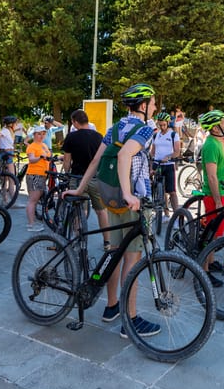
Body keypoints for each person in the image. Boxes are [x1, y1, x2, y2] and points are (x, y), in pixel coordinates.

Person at [66, 83, 160, 338]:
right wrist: (129, 193)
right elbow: (124, 156)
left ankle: (111, 307)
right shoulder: (145, 129)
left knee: (114, 253)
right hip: (131, 201)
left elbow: (96, 160)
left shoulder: (116, 127)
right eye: (152, 103)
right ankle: (130, 321)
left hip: (110, 198)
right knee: (132, 258)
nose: (154, 107)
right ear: (143, 106)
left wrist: (79, 189)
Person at [61, 109, 110, 249]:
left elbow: (67, 159)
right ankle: (107, 242)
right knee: (101, 211)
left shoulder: (71, 137)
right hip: (96, 178)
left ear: (75, 122)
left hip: (77, 178)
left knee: (79, 211)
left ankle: (78, 239)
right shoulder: (99, 136)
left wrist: (66, 172)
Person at [198, 110, 224, 272]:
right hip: (214, 196)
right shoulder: (211, 145)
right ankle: (204, 271)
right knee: (211, 235)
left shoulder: (219, 142)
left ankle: (210, 262)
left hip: (221, 194)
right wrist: (218, 200)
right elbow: (211, 177)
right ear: (216, 128)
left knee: (216, 233)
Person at [149, 112, 180, 217]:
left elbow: (177, 151)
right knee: (161, 192)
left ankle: (176, 216)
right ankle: (166, 215)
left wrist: (168, 157)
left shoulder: (173, 135)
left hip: (168, 164)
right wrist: (151, 165)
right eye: (160, 125)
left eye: (164, 125)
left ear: (168, 123)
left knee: (172, 191)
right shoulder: (155, 135)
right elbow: (152, 151)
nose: (162, 127)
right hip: (157, 164)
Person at [24, 126, 51, 232]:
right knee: (33, 200)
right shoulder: (32, 146)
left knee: (38, 199)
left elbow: (48, 156)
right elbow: (31, 159)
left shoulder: (44, 145)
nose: (41, 136)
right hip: (34, 175)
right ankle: (31, 224)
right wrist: (40, 157)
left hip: (43, 175)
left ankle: (34, 221)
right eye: (39, 134)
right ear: (34, 135)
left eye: (43, 134)